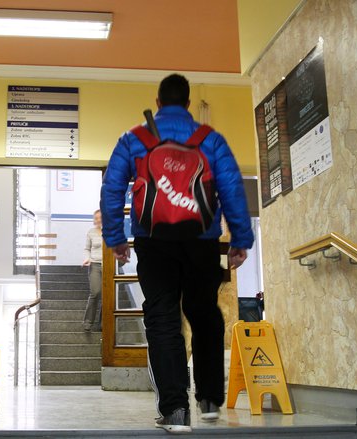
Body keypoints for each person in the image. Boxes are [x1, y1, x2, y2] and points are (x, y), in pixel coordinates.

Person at [100, 74, 254, 433]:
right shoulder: (209, 139)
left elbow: (112, 189)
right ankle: (211, 400)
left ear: (157, 102)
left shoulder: (134, 138)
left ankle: (175, 411)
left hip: (153, 240)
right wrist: (240, 239)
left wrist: (115, 237)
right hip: (201, 240)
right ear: (187, 104)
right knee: (204, 314)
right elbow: (231, 188)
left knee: (163, 319)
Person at [81, 209, 103, 332]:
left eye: (100, 217)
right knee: (95, 292)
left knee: (107, 296)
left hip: (108, 267)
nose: (98, 220)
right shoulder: (91, 232)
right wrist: (87, 259)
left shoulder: (110, 231)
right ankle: (88, 322)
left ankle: (104, 324)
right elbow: (87, 249)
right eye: (96, 218)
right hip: (94, 265)